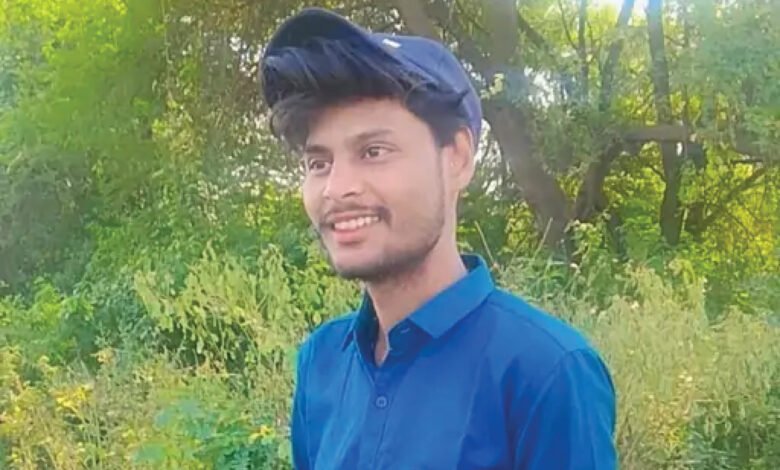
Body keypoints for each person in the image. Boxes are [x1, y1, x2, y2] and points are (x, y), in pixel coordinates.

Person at [260, 7, 617, 469]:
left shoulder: (546, 371)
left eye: (373, 151)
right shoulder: (321, 362)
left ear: (458, 159)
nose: (336, 188)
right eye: (318, 163)